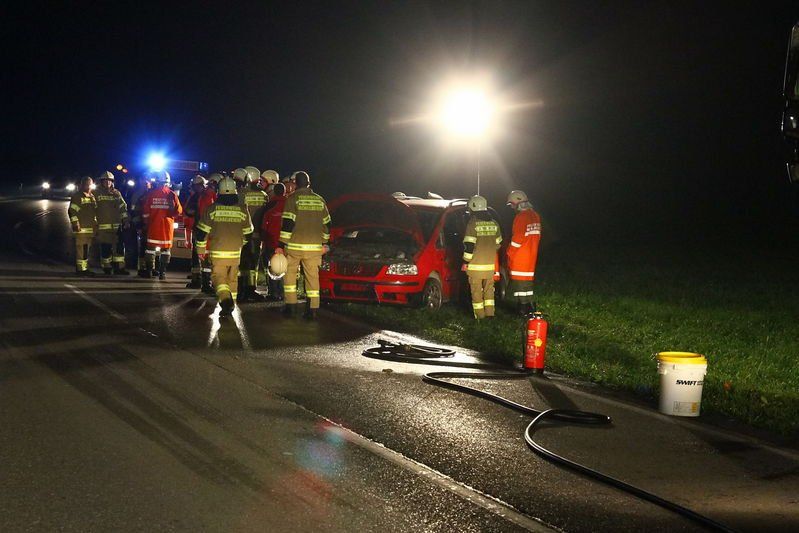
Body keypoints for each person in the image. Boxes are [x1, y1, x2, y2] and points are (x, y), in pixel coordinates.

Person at [194, 176, 253, 317]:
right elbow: (248, 233)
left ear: (219, 192)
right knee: (232, 279)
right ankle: (232, 306)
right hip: (236, 253)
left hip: (218, 252)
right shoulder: (242, 210)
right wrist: (241, 244)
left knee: (218, 279)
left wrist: (200, 251)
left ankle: (226, 302)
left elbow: (201, 233)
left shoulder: (211, 209)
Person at [276, 171, 330, 319]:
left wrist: (280, 244)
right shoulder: (320, 200)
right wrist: (325, 242)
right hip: (314, 248)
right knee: (312, 278)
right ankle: (312, 310)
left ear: (295, 184)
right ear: (309, 183)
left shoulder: (292, 199)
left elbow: (288, 224)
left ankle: (291, 306)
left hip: (294, 247)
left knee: (290, 276)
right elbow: (327, 224)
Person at [462, 195, 502, 319]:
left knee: (476, 292)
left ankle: (480, 317)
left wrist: (465, 261)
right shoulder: (494, 223)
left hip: (475, 266)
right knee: (489, 290)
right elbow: (498, 243)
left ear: (473, 208)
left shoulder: (472, 224)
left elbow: (469, 245)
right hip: (490, 266)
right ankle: (490, 314)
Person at [141, 171, 182, 280]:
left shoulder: (151, 194)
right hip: (167, 228)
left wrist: (146, 222)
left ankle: (149, 271)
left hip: (153, 227)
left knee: (150, 249)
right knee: (166, 250)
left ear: (157, 181)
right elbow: (178, 211)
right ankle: (162, 273)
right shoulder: (172, 194)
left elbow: (145, 211)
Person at [506, 190, 542, 315]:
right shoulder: (535, 215)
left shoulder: (521, 217)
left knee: (519, 284)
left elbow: (517, 238)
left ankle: (522, 308)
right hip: (531, 255)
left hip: (520, 256)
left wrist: (510, 252)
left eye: (512, 204)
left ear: (518, 203)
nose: (511, 207)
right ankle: (530, 306)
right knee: (527, 283)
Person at [236, 166, 268, 302]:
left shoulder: (240, 194)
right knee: (253, 264)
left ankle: (240, 290)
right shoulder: (264, 195)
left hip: (242, 234)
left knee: (242, 262)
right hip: (257, 235)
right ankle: (250, 289)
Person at [184, 175, 217, 289]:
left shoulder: (203, 196)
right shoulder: (208, 195)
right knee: (200, 256)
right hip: (204, 230)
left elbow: (190, 211)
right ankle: (200, 280)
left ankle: (200, 281)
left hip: (202, 230)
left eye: (194, 186)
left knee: (201, 256)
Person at [94, 171, 130, 275]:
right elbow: (92, 209)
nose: (108, 183)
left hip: (117, 227)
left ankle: (119, 268)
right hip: (103, 227)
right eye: (105, 181)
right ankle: (107, 267)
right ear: (101, 182)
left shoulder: (117, 193)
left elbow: (123, 207)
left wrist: (126, 220)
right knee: (105, 248)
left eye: (109, 181)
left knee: (119, 248)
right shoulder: (96, 193)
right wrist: (94, 223)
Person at [260, 182, 287, 300]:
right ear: (284, 192)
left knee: (272, 268)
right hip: (286, 243)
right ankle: (284, 292)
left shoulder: (269, 205)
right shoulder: (289, 204)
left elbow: (263, 226)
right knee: (286, 267)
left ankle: (273, 292)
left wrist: (263, 240)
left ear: (274, 192)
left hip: (271, 242)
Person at [67, 176, 98, 276]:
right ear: (82, 185)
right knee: (81, 250)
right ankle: (81, 270)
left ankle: (84, 268)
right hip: (81, 229)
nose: (88, 186)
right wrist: (75, 224)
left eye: (90, 184)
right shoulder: (77, 196)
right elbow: (72, 211)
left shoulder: (92, 196)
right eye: (86, 184)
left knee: (86, 250)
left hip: (90, 229)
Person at [130, 174, 153, 276]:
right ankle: (141, 268)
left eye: (148, 181)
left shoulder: (152, 193)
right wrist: (138, 226)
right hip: (141, 224)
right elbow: (134, 211)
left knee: (151, 248)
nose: (146, 183)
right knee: (142, 247)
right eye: (145, 181)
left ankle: (150, 267)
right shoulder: (137, 195)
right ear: (140, 181)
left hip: (151, 225)